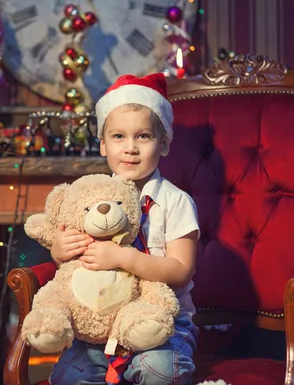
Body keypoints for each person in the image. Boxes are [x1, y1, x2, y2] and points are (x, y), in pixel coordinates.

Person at [49, 73, 200, 385]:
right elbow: (70, 259)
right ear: (103, 145)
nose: (130, 148)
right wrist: (59, 249)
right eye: (118, 137)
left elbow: (181, 270)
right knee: (67, 377)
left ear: (165, 144)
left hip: (163, 325)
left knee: (160, 372)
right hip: (98, 324)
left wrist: (122, 258)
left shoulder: (176, 202)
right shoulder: (89, 197)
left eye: (143, 136)